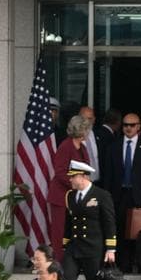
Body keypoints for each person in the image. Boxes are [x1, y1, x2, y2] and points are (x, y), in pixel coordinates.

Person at [61, 160, 117, 280]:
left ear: (83, 176)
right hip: (74, 247)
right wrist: (65, 243)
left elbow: (109, 222)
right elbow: (69, 222)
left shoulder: (101, 195)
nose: (70, 180)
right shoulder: (70, 196)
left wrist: (111, 248)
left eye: (73, 177)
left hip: (93, 248)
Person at [106, 112, 141, 273]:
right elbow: (108, 176)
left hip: (139, 195)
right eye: (125, 125)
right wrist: (107, 197)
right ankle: (124, 265)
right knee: (120, 229)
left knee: (140, 231)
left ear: (138, 126)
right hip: (119, 195)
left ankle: (140, 264)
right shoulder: (113, 147)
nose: (128, 128)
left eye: (132, 125)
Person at [49, 114, 93, 270]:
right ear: (80, 130)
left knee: (75, 229)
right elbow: (60, 171)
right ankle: (59, 264)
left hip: (76, 197)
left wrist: (86, 180)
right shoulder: (65, 146)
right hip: (61, 196)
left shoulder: (83, 148)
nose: (88, 133)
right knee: (60, 232)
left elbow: (86, 168)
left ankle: (74, 262)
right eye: (86, 129)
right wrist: (75, 183)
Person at [78, 106, 110, 184]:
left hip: (99, 183)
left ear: (94, 120)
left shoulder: (101, 136)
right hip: (81, 183)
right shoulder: (74, 137)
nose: (87, 122)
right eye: (84, 119)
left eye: (90, 119)